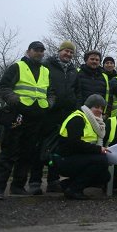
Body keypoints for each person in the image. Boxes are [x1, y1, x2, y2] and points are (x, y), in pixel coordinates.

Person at [0, 41, 50, 200]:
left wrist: (49, 103)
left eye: (42, 50)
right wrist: (15, 101)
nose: (40, 53)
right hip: (18, 115)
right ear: (28, 51)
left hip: (36, 116)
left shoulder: (45, 70)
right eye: (36, 50)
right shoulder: (17, 66)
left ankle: (18, 186)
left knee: (27, 153)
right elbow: (3, 87)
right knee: (9, 152)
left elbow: (50, 92)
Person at [29, 40, 81, 195]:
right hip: (48, 115)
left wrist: (76, 108)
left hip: (66, 116)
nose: (69, 54)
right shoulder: (47, 66)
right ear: (60, 51)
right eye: (66, 51)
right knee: (41, 147)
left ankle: (53, 180)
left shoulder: (73, 71)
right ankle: (35, 181)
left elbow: (77, 91)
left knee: (57, 150)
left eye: (71, 52)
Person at [55, 94, 110, 200]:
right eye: (96, 107)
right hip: (65, 159)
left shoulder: (94, 122)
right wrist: (99, 149)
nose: (100, 110)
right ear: (89, 107)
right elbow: (74, 143)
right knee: (101, 160)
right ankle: (74, 190)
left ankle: (66, 185)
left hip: (79, 157)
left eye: (102, 108)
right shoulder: (78, 118)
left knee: (105, 176)